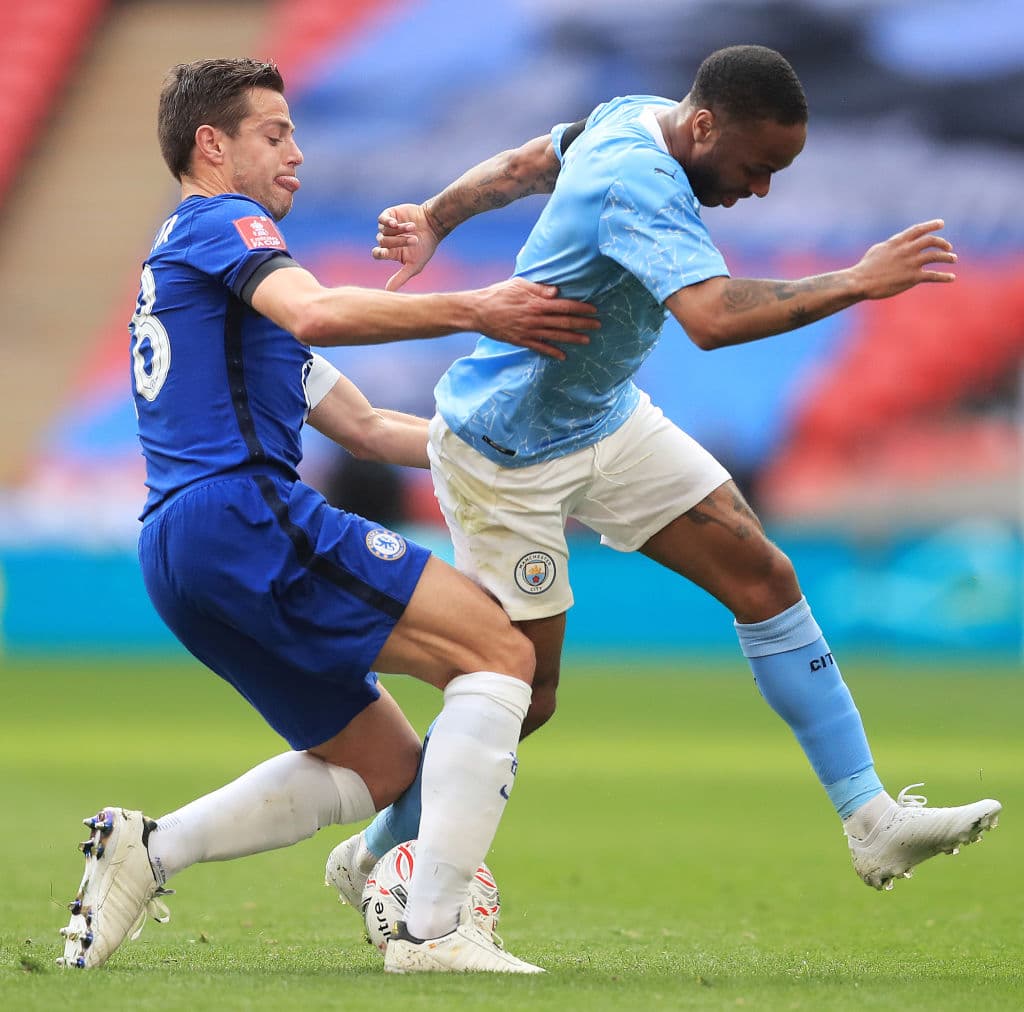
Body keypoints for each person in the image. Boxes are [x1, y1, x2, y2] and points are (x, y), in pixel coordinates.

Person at [326, 44, 1001, 907]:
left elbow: (532, 158)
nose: (761, 190)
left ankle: (870, 819)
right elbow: (712, 319)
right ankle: (380, 850)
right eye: (758, 168)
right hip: (510, 454)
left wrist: (435, 214)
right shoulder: (639, 179)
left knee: (764, 575)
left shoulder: (634, 112)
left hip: (604, 415)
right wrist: (859, 282)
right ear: (706, 125)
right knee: (522, 695)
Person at [56, 56, 601, 975]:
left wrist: (530, 460)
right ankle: (433, 931)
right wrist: (481, 308)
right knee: (502, 653)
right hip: (245, 514)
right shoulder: (225, 225)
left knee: (383, 769)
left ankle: (147, 852)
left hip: (180, 551)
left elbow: (371, 426)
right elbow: (311, 315)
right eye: (276, 133)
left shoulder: (207, 279)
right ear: (211, 144)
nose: (298, 154)